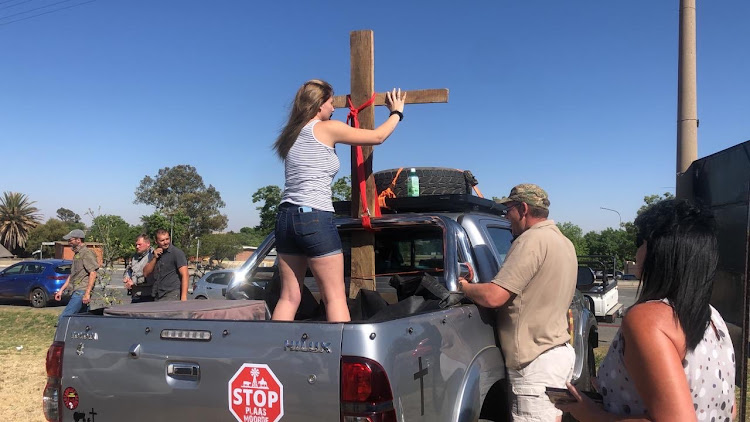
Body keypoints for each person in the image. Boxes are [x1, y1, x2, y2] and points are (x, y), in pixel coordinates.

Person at [559, 199, 735, 421]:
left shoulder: (648, 318)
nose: (637, 251)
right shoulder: (713, 317)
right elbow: (727, 405)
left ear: (659, 251)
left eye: (641, 242)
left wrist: (592, 415)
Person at [271, 79, 406, 322]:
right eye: (331, 103)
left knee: (289, 297)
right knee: (334, 297)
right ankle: (341, 358)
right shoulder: (325, 127)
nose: (334, 108)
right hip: (313, 217)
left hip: (285, 219)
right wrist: (397, 112)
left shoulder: (290, 134)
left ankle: (275, 357)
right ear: (318, 105)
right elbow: (377, 137)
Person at [458, 184, 578, 422]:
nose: (506, 216)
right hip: (554, 355)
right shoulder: (564, 242)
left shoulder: (530, 240)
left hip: (535, 362)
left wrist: (463, 286)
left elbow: (494, 296)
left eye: (508, 209)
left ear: (523, 208)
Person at [54, 229, 99, 323]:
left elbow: (93, 273)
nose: (69, 242)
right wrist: (61, 290)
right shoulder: (77, 255)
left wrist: (87, 293)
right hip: (77, 290)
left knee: (64, 318)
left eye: (70, 240)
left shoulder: (86, 253)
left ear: (78, 240)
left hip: (81, 291)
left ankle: (60, 336)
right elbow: (73, 275)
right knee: (83, 319)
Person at [142, 229, 189, 301]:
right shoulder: (154, 254)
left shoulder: (176, 253)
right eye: (162, 240)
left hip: (172, 294)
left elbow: (185, 275)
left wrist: (183, 297)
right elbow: (145, 273)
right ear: (156, 241)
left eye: (167, 239)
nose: (166, 242)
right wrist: (154, 258)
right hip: (157, 294)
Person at [123, 234, 155, 303]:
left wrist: (134, 281)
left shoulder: (153, 257)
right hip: (135, 295)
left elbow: (150, 276)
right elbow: (129, 270)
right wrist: (127, 278)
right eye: (136, 245)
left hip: (148, 296)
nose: (137, 247)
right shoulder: (135, 257)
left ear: (148, 244)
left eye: (140, 244)